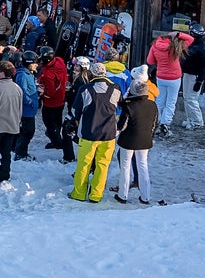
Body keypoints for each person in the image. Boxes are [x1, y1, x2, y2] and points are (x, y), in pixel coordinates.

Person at [69, 62, 121, 203]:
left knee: (83, 165)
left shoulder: (85, 89)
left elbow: (75, 112)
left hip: (88, 133)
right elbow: (119, 107)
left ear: (91, 74)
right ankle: (96, 195)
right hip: (109, 134)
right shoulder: (116, 88)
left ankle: (79, 193)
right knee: (102, 165)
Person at [115, 79, 158, 204]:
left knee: (125, 166)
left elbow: (121, 125)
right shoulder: (152, 105)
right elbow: (155, 124)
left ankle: (123, 195)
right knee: (143, 166)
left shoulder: (129, 106)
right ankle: (146, 196)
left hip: (128, 141)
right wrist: (150, 135)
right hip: (145, 140)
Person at [147, 30, 193, 136]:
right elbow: (191, 39)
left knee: (160, 101)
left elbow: (150, 61)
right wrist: (178, 34)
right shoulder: (175, 46)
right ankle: (165, 124)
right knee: (171, 102)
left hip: (161, 76)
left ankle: (156, 123)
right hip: (174, 77)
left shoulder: (155, 45)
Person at [36, 46, 66, 149]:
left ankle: (57, 142)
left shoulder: (47, 74)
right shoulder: (59, 61)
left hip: (51, 102)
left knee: (49, 122)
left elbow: (50, 92)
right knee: (57, 121)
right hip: (61, 98)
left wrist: (41, 94)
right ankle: (57, 137)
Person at [179, 24, 205, 129]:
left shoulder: (201, 48)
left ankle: (197, 121)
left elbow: (204, 67)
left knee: (191, 99)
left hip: (195, 76)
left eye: (191, 33)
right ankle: (190, 119)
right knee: (186, 98)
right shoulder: (192, 45)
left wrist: (200, 81)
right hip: (188, 73)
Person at [14, 51, 40, 159]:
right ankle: (20, 153)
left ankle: (21, 152)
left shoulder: (29, 74)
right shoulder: (23, 76)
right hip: (26, 110)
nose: (37, 65)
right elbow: (22, 92)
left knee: (27, 131)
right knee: (28, 132)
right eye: (34, 63)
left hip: (29, 110)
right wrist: (31, 102)